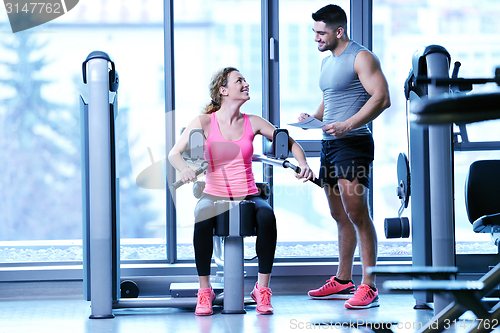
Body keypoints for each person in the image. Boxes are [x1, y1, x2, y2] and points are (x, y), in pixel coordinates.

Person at [168, 67, 315, 316]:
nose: (246, 83)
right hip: (214, 194)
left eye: (245, 80)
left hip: (248, 193)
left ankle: (262, 289)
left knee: (267, 217)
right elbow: (174, 153)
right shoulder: (204, 122)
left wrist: (304, 164)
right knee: (201, 221)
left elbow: (290, 143)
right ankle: (205, 290)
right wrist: (183, 169)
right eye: (239, 81)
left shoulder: (253, 122)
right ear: (223, 90)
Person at [301, 4, 390, 309]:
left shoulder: (361, 57)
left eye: (321, 32)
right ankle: (343, 280)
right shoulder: (328, 62)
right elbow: (332, 100)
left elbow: (382, 97)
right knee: (339, 215)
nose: (316, 38)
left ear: (339, 31)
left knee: (357, 214)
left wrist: (349, 124)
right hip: (331, 143)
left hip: (353, 144)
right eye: (314, 32)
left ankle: (369, 285)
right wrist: (311, 118)